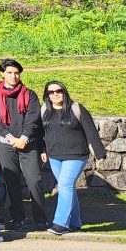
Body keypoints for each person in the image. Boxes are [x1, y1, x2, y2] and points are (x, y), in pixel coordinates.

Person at [0, 58, 48, 230]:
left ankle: (40, 218)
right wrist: (10, 138)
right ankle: (17, 218)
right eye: (9, 73)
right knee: (12, 181)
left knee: (34, 180)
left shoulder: (29, 94)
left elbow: (33, 120)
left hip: (27, 142)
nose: (14, 76)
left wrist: (23, 138)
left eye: (16, 73)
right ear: (2, 74)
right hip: (5, 142)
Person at [41, 80, 106, 235]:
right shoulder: (44, 110)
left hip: (76, 155)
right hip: (54, 156)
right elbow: (41, 133)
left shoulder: (77, 109)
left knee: (64, 185)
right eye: (51, 92)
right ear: (47, 95)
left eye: (59, 91)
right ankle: (75, 222)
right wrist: (42, 149)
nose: (55, 94)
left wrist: (100, 153)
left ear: (64, 92)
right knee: (67, 188)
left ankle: (60, 223)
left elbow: (91, 131)